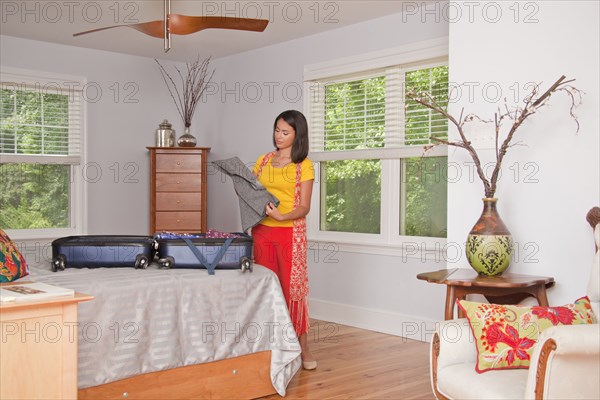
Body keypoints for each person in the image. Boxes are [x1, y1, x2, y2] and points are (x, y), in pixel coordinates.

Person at [252, 110, 317, 370]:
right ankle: (268, 346)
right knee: (265, 287)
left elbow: (304, 207)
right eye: (276, 130)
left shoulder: (304, 165)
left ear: (297, 135)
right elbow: (252, 192)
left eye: (285, 132)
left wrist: (282, 217)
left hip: (289, 232)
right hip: (261, 231)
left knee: (293, 291)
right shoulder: (263, 160)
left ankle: (304, 349)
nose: (278, 136)